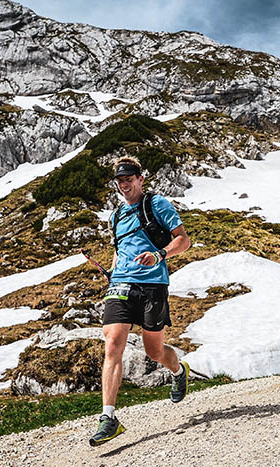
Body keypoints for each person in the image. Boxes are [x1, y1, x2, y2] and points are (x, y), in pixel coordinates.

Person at [89, 156, 191, 447]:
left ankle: (178, 370)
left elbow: (183, 240)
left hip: (153, 285)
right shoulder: (116, 215)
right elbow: (119, 250)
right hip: (121, 285)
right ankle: (108, 418)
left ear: (140, 179)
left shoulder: (156, 205)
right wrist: (112, 274)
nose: (124, 185)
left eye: (129, 179)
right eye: (119, 181)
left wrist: (159, 255)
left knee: (154, 350)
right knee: (112, 344)